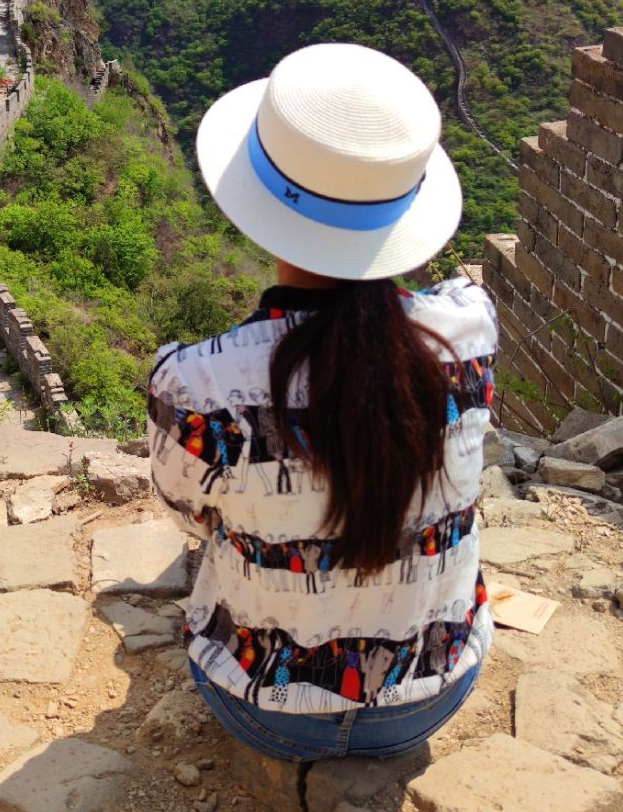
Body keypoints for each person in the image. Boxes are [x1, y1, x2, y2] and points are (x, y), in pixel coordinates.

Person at [149, 42, 496, 764]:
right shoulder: (467, 330)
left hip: (264, 710)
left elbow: (189, 515)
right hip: (432, 695)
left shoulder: (196, 386)